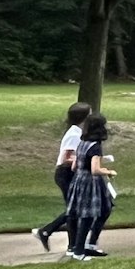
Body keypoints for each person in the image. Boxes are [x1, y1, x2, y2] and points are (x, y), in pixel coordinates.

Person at [34, 101, 90, 252]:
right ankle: (47, 231)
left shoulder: (78, 132)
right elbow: (67, 157)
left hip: (70, 172)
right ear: (84, 117)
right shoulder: (74, 134)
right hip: (66, 173)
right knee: (74, 209)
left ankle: (70, 244)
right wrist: (86, 160)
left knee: (74, 210)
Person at [66, 112, 117, 258]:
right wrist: (108, 171)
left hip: (79, 179)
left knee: (105, 208)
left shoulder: (82, 143)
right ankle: (79, 251)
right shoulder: (95, 146)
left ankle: (88, 245)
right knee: (88, 215)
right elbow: (95, 170)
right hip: (90, 182)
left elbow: (74, 166)